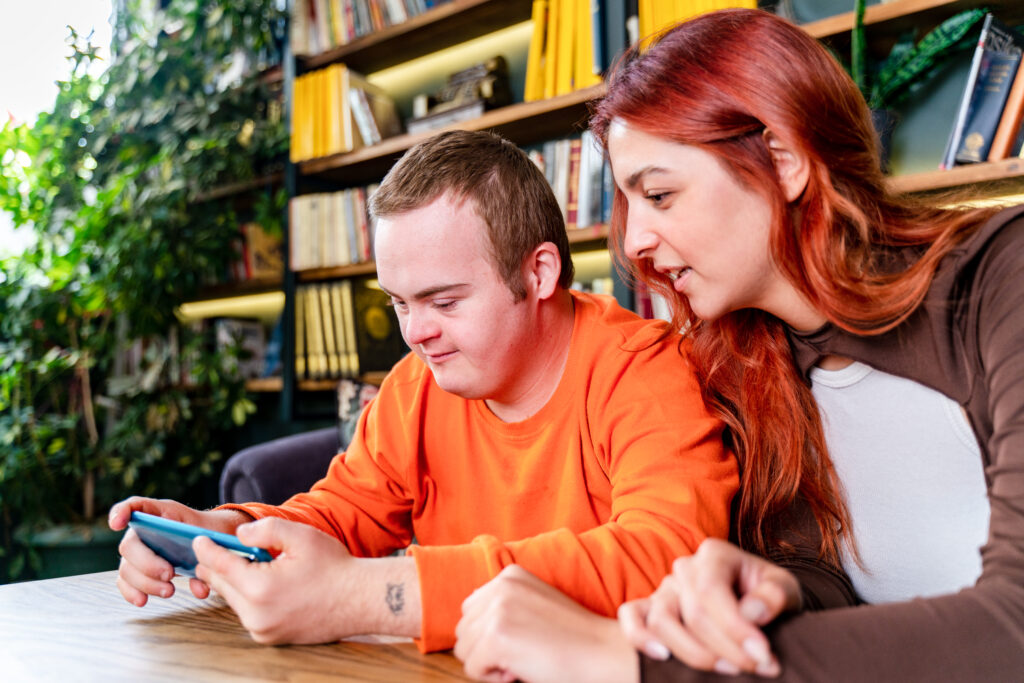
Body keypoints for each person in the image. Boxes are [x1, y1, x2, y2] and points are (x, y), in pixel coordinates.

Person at [453, 8, 1024, 681]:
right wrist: (769, 593)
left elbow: (1012, 627)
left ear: (782, 161)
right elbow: (843, 583)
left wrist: (629, 662)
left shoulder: (1002, 276)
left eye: (659, 193)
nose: (634, 243)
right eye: (628, 207)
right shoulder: (744, 366)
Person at [108, 129, 739, 653]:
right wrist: (220, 531)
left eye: (444, 301)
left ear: (539, 272)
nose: (416, 334)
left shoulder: (644, 370)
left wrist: (363, 597)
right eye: (400, 303)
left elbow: (670, 556)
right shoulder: (419, 383)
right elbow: (342, 514)